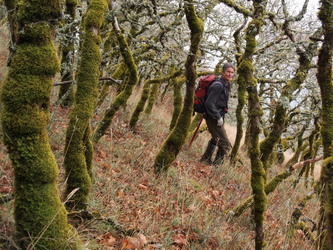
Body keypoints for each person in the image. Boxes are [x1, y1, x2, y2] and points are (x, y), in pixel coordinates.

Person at [200, 63, 235, 165]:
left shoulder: (227, 84)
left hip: (218, 116)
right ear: (222, 72)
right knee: (225, 145)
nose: (230, 74)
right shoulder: (218, 85)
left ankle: (205, 160)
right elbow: (209, 103)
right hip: (213, 117)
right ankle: (217, 166)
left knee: (216, 139)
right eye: (228, 72)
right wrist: (218, 117)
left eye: (232, 72)